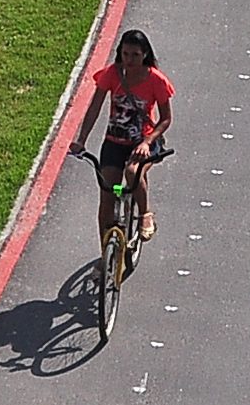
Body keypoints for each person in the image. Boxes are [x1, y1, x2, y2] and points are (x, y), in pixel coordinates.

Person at [71, 27, 175, 243]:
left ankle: (145, 214)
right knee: (107, 195)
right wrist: (81, 140)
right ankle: (105, 257)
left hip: (143, 143)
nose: (130, 60)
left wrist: (147, 142)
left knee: (131, 171)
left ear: (145, 54)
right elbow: (94, 108)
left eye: (135, 55)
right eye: (126, 54)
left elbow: (165, 118)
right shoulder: (112, 74)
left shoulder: (156, 80)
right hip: (114, 143)